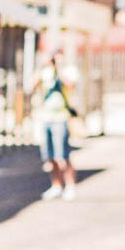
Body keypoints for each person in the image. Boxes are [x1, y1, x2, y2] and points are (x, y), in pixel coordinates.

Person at [31, 50, 78, 201]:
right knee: (49, 156)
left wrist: (59, 68)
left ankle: (70, 186)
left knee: (62, 155)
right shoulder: (45, 72)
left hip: (60, 117)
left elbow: (69, 84)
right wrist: (43, 67)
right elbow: (32, 85)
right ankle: (56, 185)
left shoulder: (68, 71)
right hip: (45, 117)